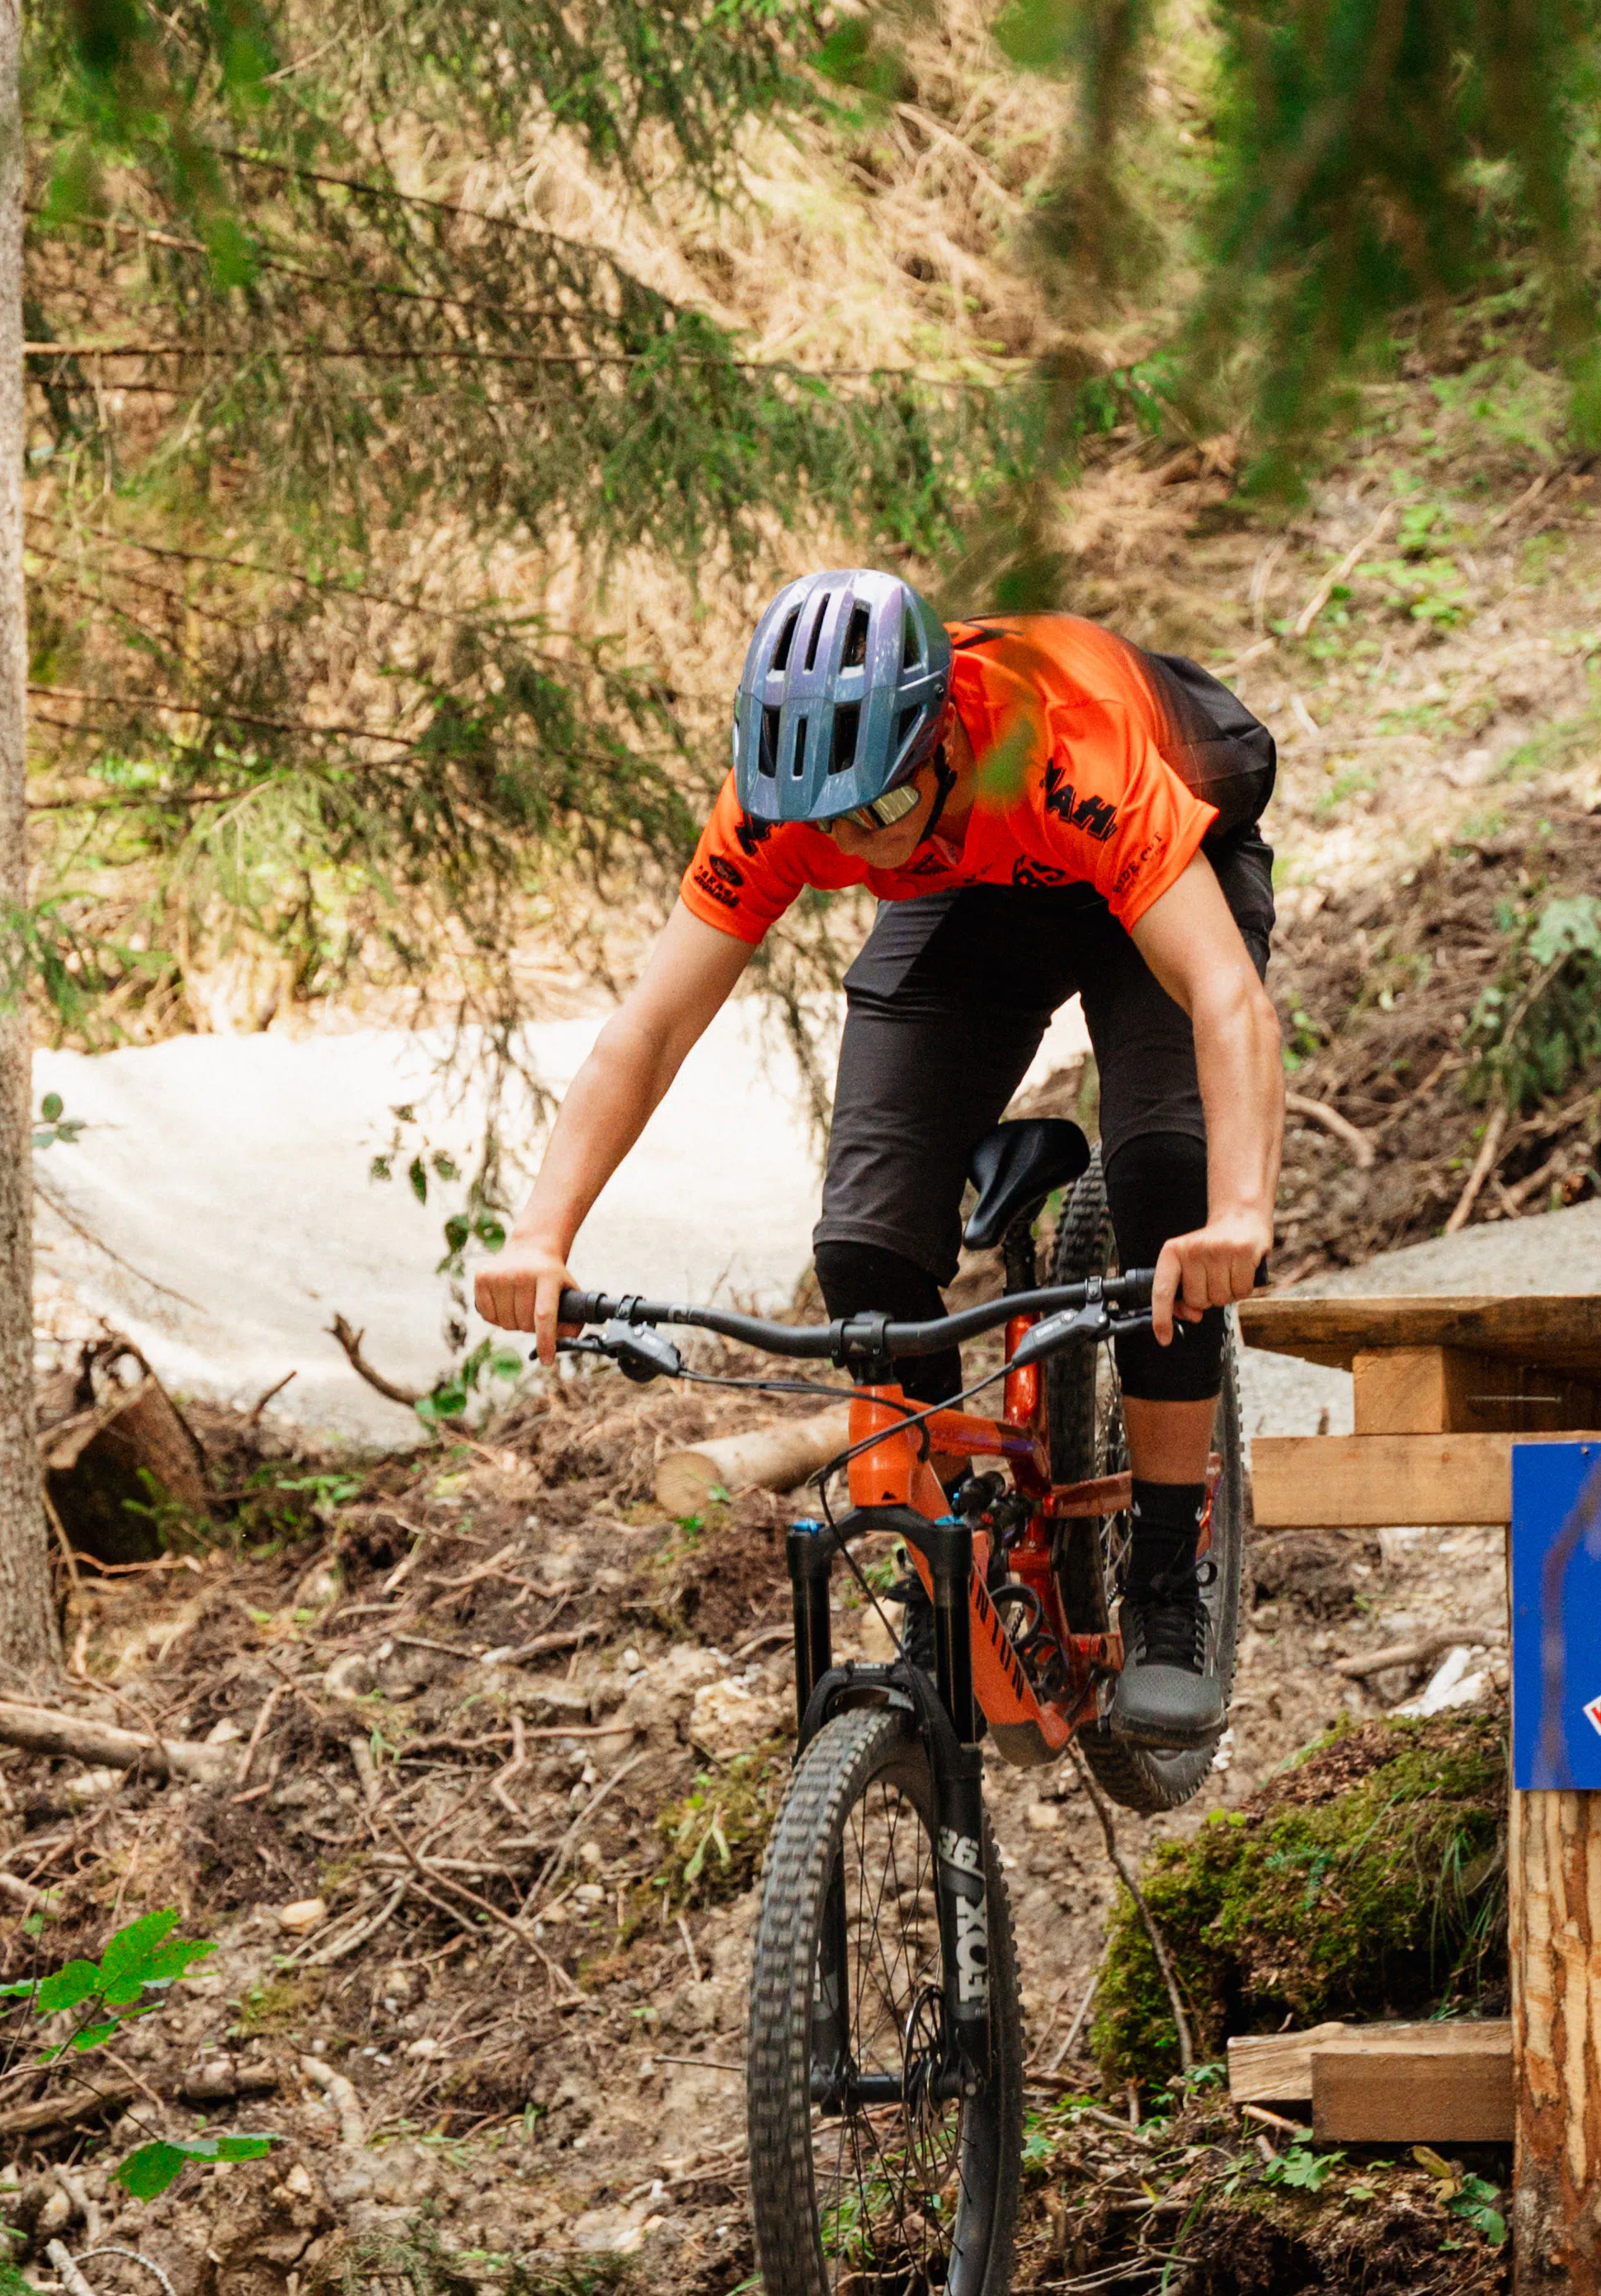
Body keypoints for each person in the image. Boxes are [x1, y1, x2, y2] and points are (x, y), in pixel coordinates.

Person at [470, 568, 1283, 1776]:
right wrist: (542, 1234)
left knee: (1170, 1176)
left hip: (1146, 854)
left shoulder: (1064, 747)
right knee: (864, 1246)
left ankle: (1169, 1577)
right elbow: (645, 1029)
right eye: (832, 825)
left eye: (879, 808)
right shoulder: (794, 800)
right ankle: (933, 1566)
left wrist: (1241, 1212)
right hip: (980, 884)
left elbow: (1226, 996)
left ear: (943, 729)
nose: (856, 842)